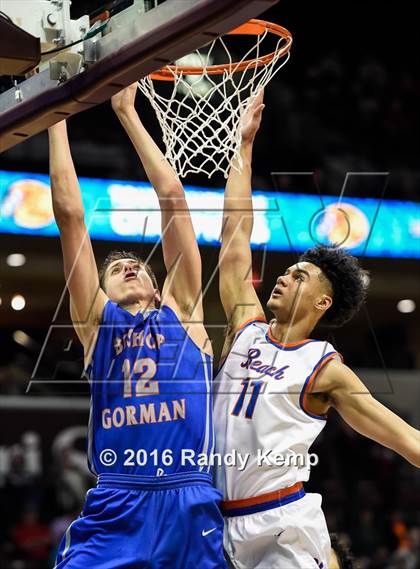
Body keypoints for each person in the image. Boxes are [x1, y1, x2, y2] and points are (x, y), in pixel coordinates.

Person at [214, 91, 420, 569]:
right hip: (215, 519)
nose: (285, 276)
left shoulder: (324, 367)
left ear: (322, 302)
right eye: (287, 271)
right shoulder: (246, 325)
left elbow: (405, 438)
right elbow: (234, 239)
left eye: (299, 276)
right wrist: (242, 149)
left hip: (280, 523)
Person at [50, 84, 226, 568]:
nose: (130, 268)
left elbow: (172, 196)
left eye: (139, 266)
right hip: (117, 500)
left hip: (187, 495)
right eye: (116, 269)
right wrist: (56, 113)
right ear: (103, 291)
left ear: (157, 284)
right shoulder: (97, 325)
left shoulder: (183, 313)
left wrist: (127, 112)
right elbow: (69, 215)